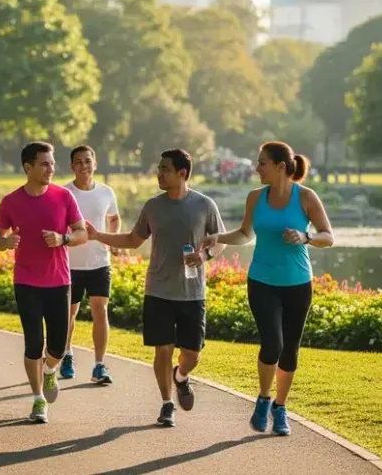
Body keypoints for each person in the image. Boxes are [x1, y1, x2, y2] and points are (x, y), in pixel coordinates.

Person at [199, 141, 333, 436]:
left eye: (262, 163)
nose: (257, 168)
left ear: (280, 167)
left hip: (298, 284)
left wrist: (305, 236)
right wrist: (217, 236)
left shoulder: (306, 198)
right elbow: (245, 233)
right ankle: (263, 398)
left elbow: (328, 236)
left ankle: (280, 407)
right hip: (262, 281)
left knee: (290, 350)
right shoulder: (255, 197)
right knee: (272, 342)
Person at [88, 149, 225, 428]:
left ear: (182, 173)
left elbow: (219, 240)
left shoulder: (204, 205)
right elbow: (132, 239)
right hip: (158, 291)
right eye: (158, 168)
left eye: (164, 169)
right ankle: (166, 404)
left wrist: (204, 256)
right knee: (162, 349)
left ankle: (182, 376)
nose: (159, 174)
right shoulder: (152, 206)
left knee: (192, 354)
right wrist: (98, 235)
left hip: (192, 293)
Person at [0, 141, 88, 423]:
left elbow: (82, 232)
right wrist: (5, 242)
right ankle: (37, 400)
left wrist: (63, 239)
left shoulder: (64, 197)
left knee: (57, 344)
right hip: (26, 281)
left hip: (59, 281)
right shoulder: (11, 201)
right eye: (44, 164)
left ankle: (49, 371)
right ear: (28, 167)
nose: (50, 169)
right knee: (34, 342)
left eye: (52, 164)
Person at [61, 145, 121, 384]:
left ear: (95, 164)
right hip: (70, 264)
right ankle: (66, 354)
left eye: (88, 161)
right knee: (69, 314)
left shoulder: (106, 192)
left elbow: (114, 217)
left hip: (99, 262)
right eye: (78, 162)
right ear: (72, 166)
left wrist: (112, 240)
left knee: (100, 311)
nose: (84, 165)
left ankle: (99, 365)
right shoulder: (64, 193)